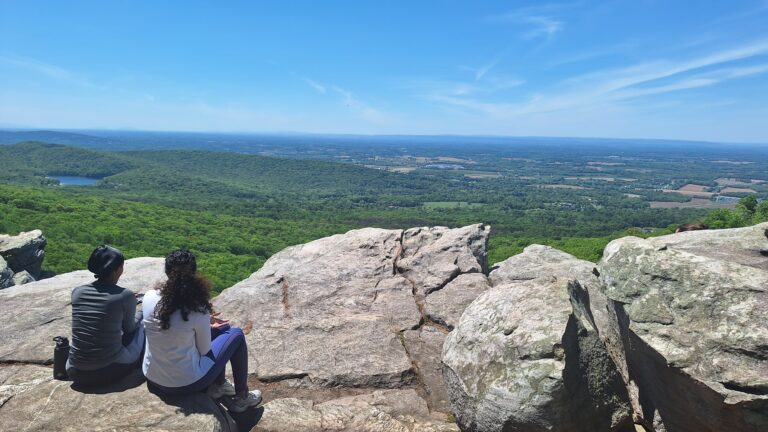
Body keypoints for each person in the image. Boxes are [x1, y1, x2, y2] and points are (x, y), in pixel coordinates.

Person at [142, 249, 261, 412]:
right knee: (236, 334)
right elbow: (205, 351)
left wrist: (207, 325)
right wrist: (205, 325)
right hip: (186, 384)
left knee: (221, 330)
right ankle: (241, 397)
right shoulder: (197, 309)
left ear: (167, 271)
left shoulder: (149, 297)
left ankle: (219, 386)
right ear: (194, 273)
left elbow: (172, 326)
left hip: (153, 377)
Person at [67, 245, 145, 387]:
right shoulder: (124, 295)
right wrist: (142, 310)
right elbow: (129, 330)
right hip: (108, 369)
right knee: (142, 325)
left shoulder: (77, 292)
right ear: (117, 270)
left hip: (74, 369)